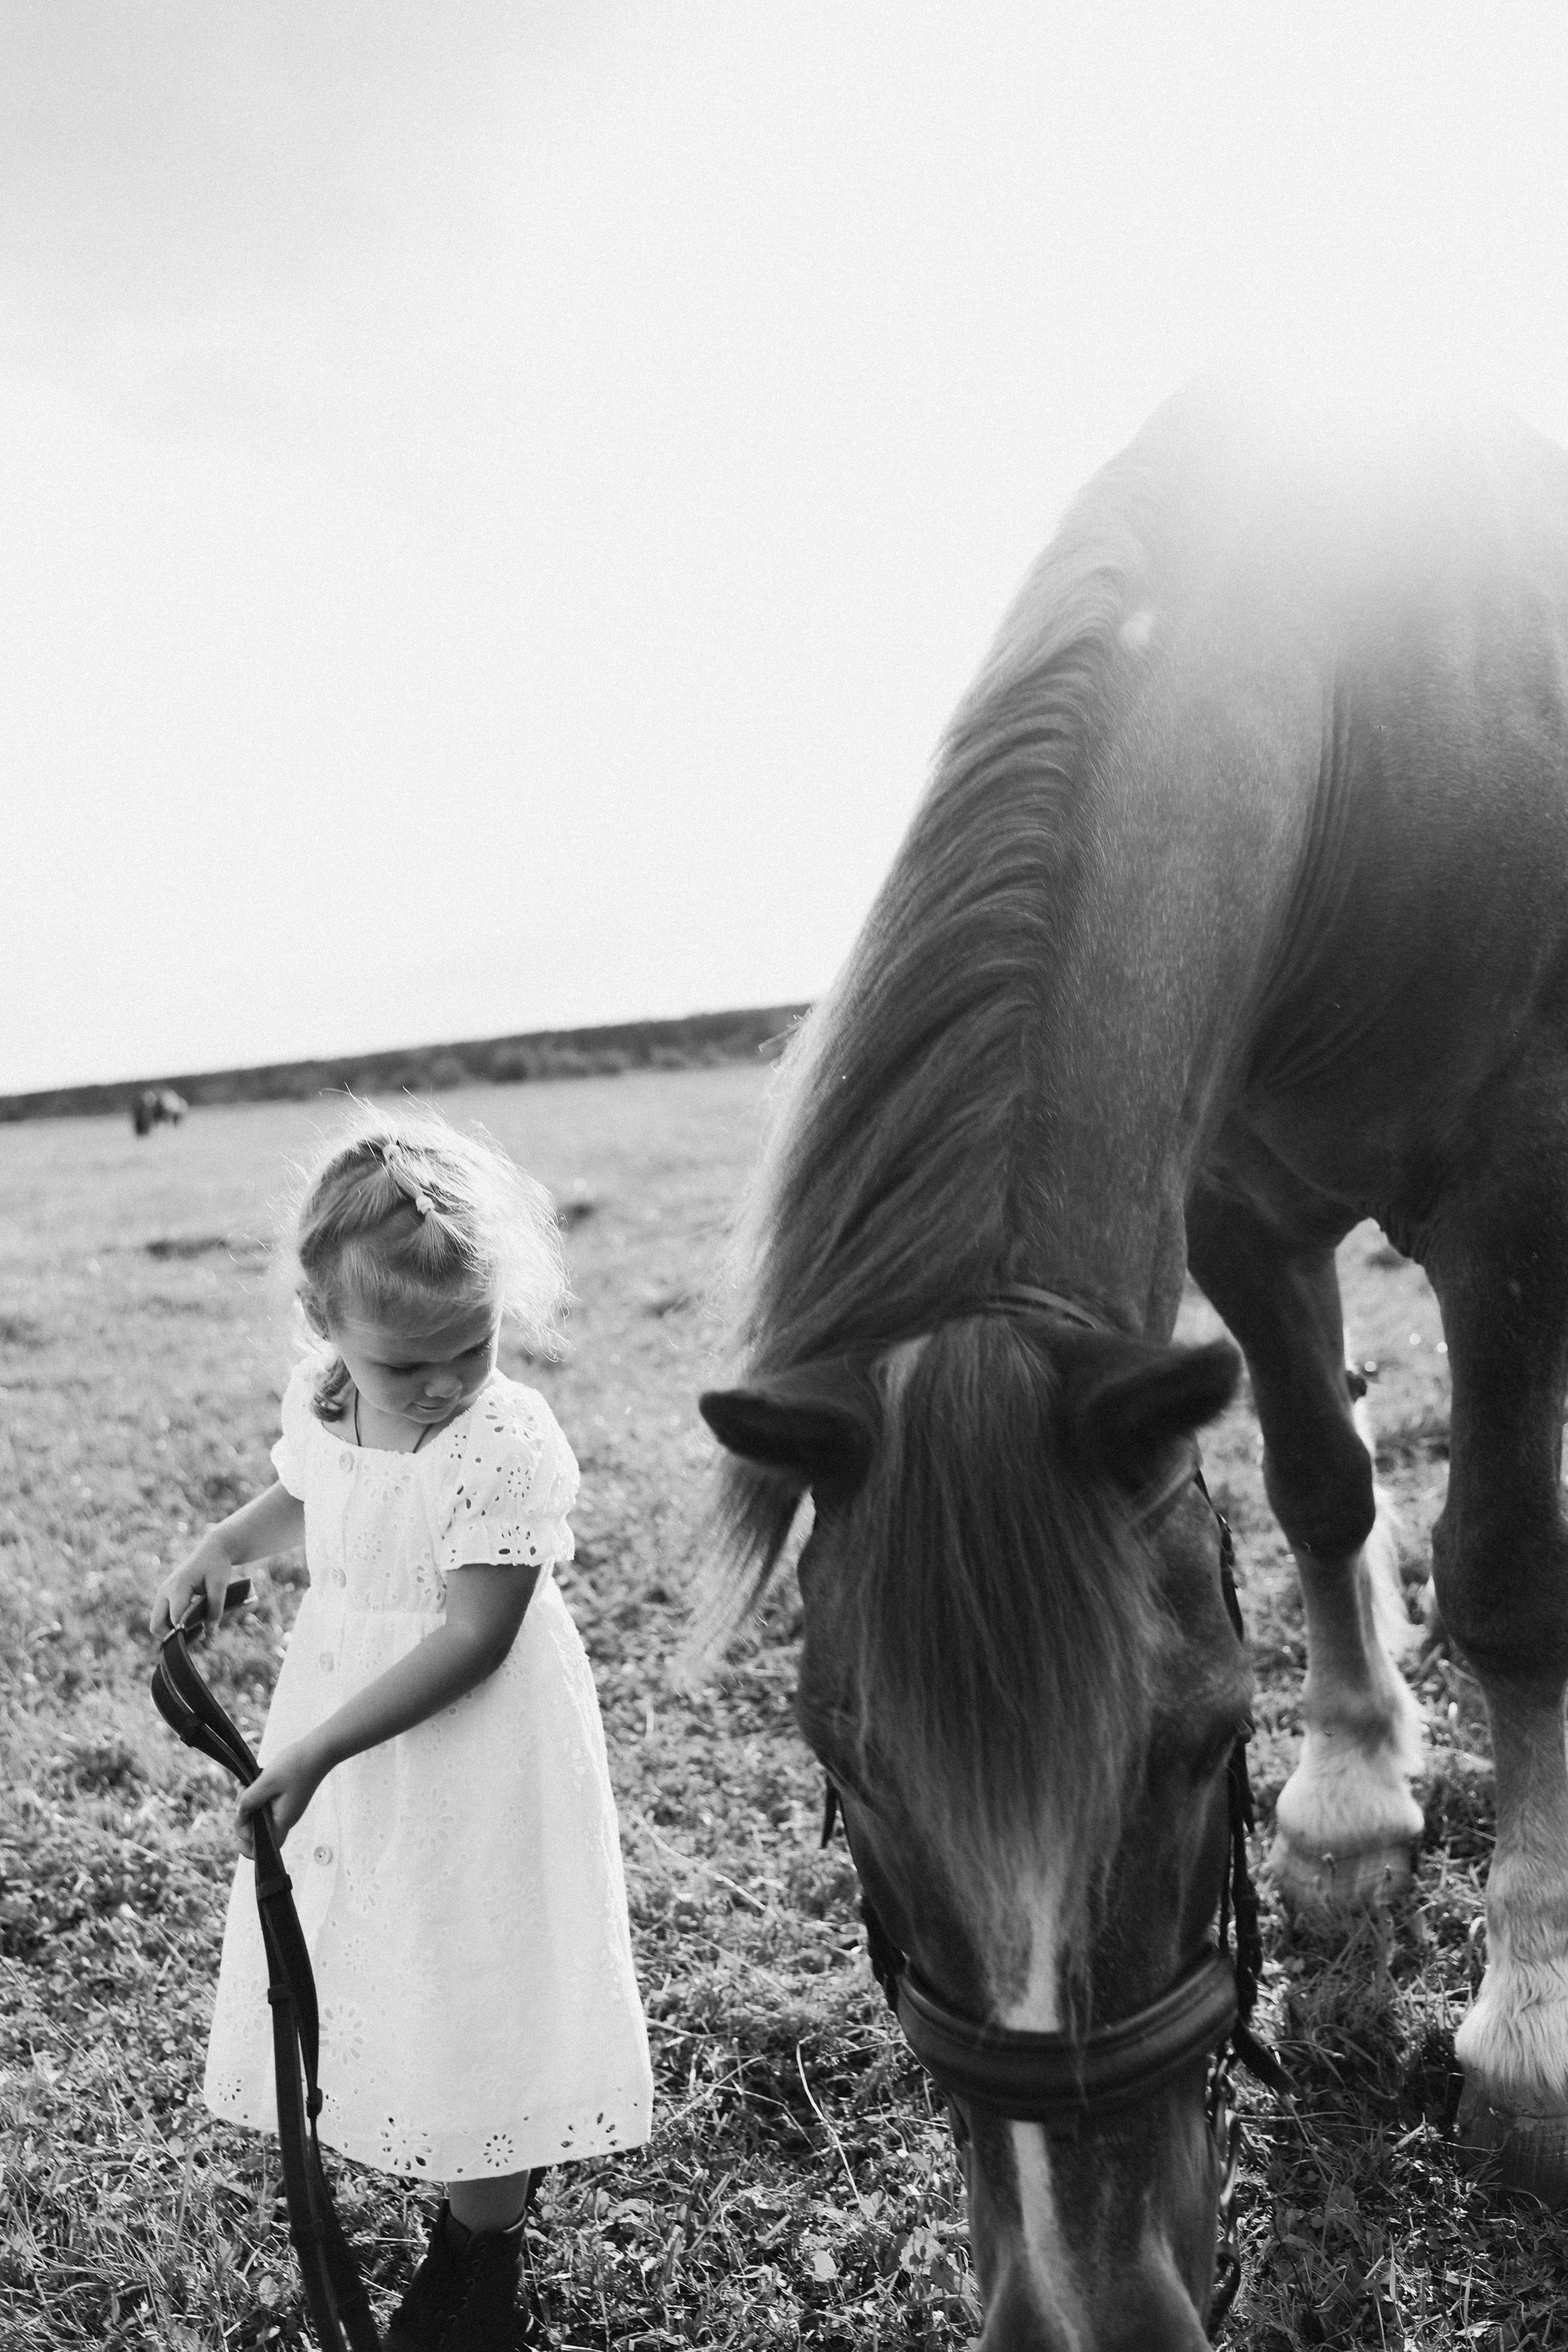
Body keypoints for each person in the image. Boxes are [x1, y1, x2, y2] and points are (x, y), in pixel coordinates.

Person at [150, 1106, 652, 2350]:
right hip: (350, 1733)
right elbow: (313, 1484)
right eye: (402, 1366)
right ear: (328, 1329)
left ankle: (484, 2247)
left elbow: (474, 1637)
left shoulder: (503, 1438)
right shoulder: (331, 1396)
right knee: (398, 1953)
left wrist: (315, 1747)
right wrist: (229, 1544)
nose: (436, 1387)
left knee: (474, 1971)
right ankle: (440, 2158)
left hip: (471, 1746)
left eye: (467, 1350)